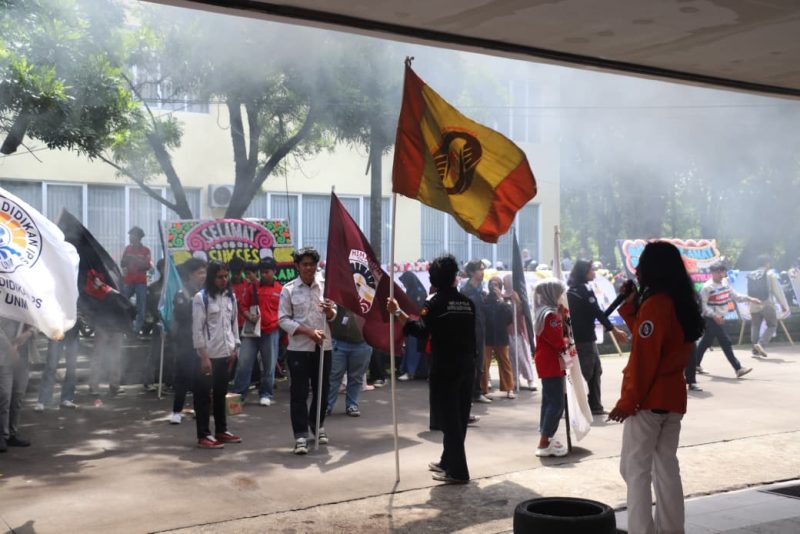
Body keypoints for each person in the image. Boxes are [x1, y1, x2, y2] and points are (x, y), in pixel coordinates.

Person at [608, 241, 705, 534]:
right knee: (666, 470)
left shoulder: (656, 304)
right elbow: (649, 334)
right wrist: (632, 305)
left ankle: (641, 530)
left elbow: (644, 359)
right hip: (672, 399)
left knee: (635, 470)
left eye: (641, 265)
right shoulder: (681, 302)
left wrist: (628, 402)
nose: (637, 271)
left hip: (648, 401)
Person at [388, 254, 476, 484]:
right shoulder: (468, 303)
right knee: (459, 416)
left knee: (450, 420)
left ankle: (458, 472)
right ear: (455, 277)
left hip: (445, 367)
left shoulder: (434, 302)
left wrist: (397, 312)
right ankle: (448, 460)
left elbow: (418, 330)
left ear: (433, 279)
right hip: (467, 366)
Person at [278, 247, 336, 455]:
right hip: (298, 349)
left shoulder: (326, 287)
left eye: (312, 264)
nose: (309, 268)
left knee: (323, 390)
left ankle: (317, 424)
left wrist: (330, 312)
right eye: (305, 264)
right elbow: (283, 320)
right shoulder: (289, 290)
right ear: (297, 266)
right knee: (299, 393)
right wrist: (308, 332)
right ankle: (300, 435)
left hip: (324, 347)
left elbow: (333, 314)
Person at [191, 260, 242, 449]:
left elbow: (234, 324)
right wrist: (203, 357)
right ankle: (203, 435)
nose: (223, 280)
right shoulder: (201, 298)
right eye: (219, 276)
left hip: (226, 354)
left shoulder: (230, 297)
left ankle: (221, 430)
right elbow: (197, 330)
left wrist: (235, 348)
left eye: (225, 276)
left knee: (220, 393)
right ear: (212, 277)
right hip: (207, 356)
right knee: (203, 396)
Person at [566, 259, 627, 415]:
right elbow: (597, 312)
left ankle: (595, 405)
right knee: (585, 373)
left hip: (580, 337)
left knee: (595, 370)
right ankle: (570, 407)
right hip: (585, 339)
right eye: (591, 269)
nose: (594, 272)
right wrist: (614, 330)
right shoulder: (583, 291)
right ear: (584, 272)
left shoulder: (572, 291)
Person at [233, 258, 283, 406]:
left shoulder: (281, 290)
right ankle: (239, 395)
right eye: (262, 272)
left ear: (274, 272)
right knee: (243, 363)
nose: (264, 275)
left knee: (269, 365)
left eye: (267, 272)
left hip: (271, 332)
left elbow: (286, 312)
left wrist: (278, 324)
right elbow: (243, 306)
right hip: (251, 333)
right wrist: (249, 316)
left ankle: (266, 393)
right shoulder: (252, 288)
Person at [695, 262, 756, 379]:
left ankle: (695, 364)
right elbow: (703, 306)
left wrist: (749, 298)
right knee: (725, 341)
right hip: (710, 318)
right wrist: (714, 316)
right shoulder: (707, 287)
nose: (720, 274)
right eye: (717, 272)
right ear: (712, 273)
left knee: (706, 342)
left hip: (720, 318)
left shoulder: (726, 282)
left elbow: (735, 296)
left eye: (722, 271)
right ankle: (738, 368)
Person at [533, 279, 570, 458]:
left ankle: (545, 437)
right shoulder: (549, 315)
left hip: (546, 361)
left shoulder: (543, 312)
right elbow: (558, 341)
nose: (561, 296)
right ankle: (545, 441)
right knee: (556, 403)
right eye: (559, 293)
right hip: (552, 362)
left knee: (549, 401)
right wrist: (568, 342)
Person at [168, 257, 206, 425]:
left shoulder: (207, 292)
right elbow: (182, 316)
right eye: (200, 273)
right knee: (183, 376)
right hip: (186, 341)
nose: (203, 276)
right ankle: (177, 411)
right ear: (191, 275)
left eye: (204, 272)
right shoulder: (182, 293)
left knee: (201, 377)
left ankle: (200, 409)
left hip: (204, 342)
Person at [326, 307, 373, 417]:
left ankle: (352, 405)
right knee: (333, 376)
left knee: (356, 377)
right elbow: (332, 312)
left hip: (363, 342)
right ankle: (327, 405)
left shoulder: (370, 294)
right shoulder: (340, 292)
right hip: (339, 341)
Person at [0, 319, 36, 451]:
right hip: (3, 356)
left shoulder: (26, 300)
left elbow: (37, 320)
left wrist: (29, 333)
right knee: (4, 397)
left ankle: (12, 433)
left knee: (18, 396)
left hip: (23, 356)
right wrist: (9, 347)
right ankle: (2, 435)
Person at [460, 259, 491, 404]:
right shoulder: (465, 290)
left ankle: (477, 392)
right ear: (472, 272)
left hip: (481, 328)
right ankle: (468, 393)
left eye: (483, 269)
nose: (482, 272)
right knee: (469, 362)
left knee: (479, 362)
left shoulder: (481, 289)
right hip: (468, 330)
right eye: (479, 269)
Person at [747, 255, 790, 357]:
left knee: (755, 326)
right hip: (767, 304)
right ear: (767, 263)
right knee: (772, 325)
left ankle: (755, 349)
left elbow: (748, 291)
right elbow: (777, 291)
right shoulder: (770, 274)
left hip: (754, 304)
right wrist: (783, 305)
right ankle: (761, 344)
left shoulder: (751, 275)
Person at [483, 276, 515, 399]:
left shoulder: (504, 302)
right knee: (484, 364)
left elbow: (509, 318)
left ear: (500, 287)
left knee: (505, 363)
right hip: (487, 337)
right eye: (491, 284)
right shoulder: (485, 300)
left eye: (496, 285)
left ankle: (509, 388)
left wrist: (501, 299)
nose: (493, 287)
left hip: (501, 337)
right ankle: (484, 389)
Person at [35, 324, 80, 411]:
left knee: (71, 367)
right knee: (51, 366)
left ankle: (67, 398)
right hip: (57, 328)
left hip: (73, 331)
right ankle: (43, 400)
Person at [502, 274, 536, 391]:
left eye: (507, 281)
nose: (505, 283)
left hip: (520, 331)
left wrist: (517, 301)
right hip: (509, 331)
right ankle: (516, 379)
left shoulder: (520, 296)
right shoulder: (503, 296)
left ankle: (530, 379)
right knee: (512, 356)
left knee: (523, 356)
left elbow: (524, 312)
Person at [121, 226, 152, 335]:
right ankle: (125, 327)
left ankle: (136, 330)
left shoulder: (146, 250)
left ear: (139, 237)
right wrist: (126, 260)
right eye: (130, 236)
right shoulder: (127, 249)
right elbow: (122, 263)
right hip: (128, 281)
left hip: (141, 282)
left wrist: (134, 260)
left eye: (132, 236)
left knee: (141, 306)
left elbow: (147, 266)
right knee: (122, 303)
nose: (130, 238)